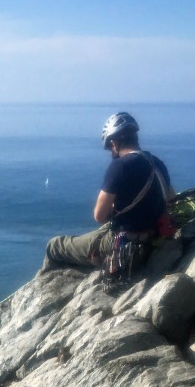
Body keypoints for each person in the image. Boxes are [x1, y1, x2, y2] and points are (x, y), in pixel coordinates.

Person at [42, 112, 174, 271]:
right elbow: (170, 199)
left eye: (109, 147)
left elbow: (99, 215)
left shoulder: (120, 166)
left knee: (55, 246)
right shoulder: (157, 163)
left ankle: (37, 292)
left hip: (123, 243)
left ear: (114, 143)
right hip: (154, 238)